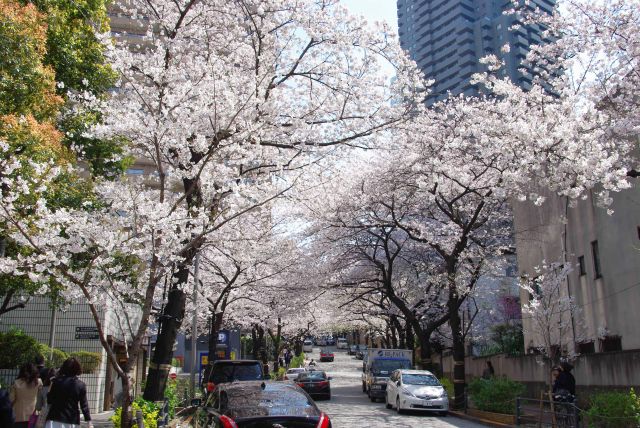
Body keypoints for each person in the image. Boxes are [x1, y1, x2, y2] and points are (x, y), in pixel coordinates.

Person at [45, 358, 92, 428]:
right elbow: (84, 405)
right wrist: (89, 421)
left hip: (54, 419)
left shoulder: (56, 382)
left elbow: (49, 400)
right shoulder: (81, 385)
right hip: (72, 420)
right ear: (77, 369)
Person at [10, 362, 42, 428]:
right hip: (33, 415)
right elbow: (40, 398)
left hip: (18, 415)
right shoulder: (38, 382)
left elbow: (11, 399)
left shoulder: (16, 383)